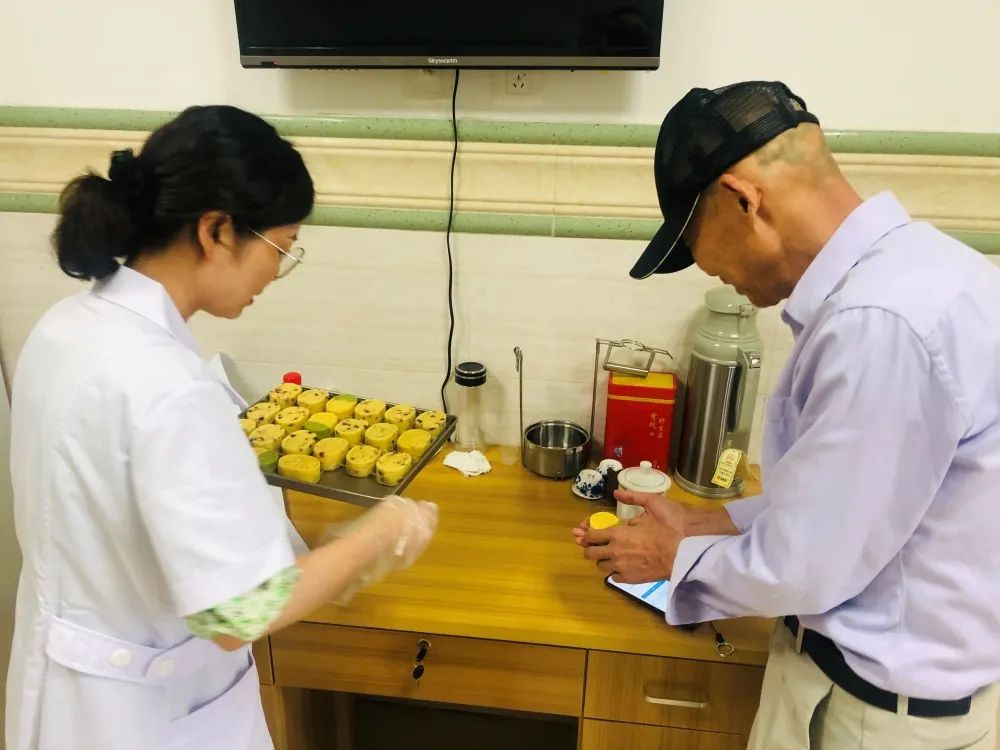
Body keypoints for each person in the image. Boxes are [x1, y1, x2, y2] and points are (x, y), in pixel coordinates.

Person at [575, 81, 1000, 748]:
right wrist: (711, 521)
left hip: (869, 717)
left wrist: (671, 554)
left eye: (695, 244)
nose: (708, 271)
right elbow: (853, 505)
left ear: (742, 200)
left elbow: (805, 565)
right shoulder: (929, 272)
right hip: (877, 692)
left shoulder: (879, 323)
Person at [6, 105, 438, 750]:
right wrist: (381, 530)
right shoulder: (169, 385)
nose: (275, 273)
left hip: (67, 692)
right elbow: (240, 612)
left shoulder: (65, 327)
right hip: (146, 714)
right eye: (281, 248)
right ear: (216, 230)